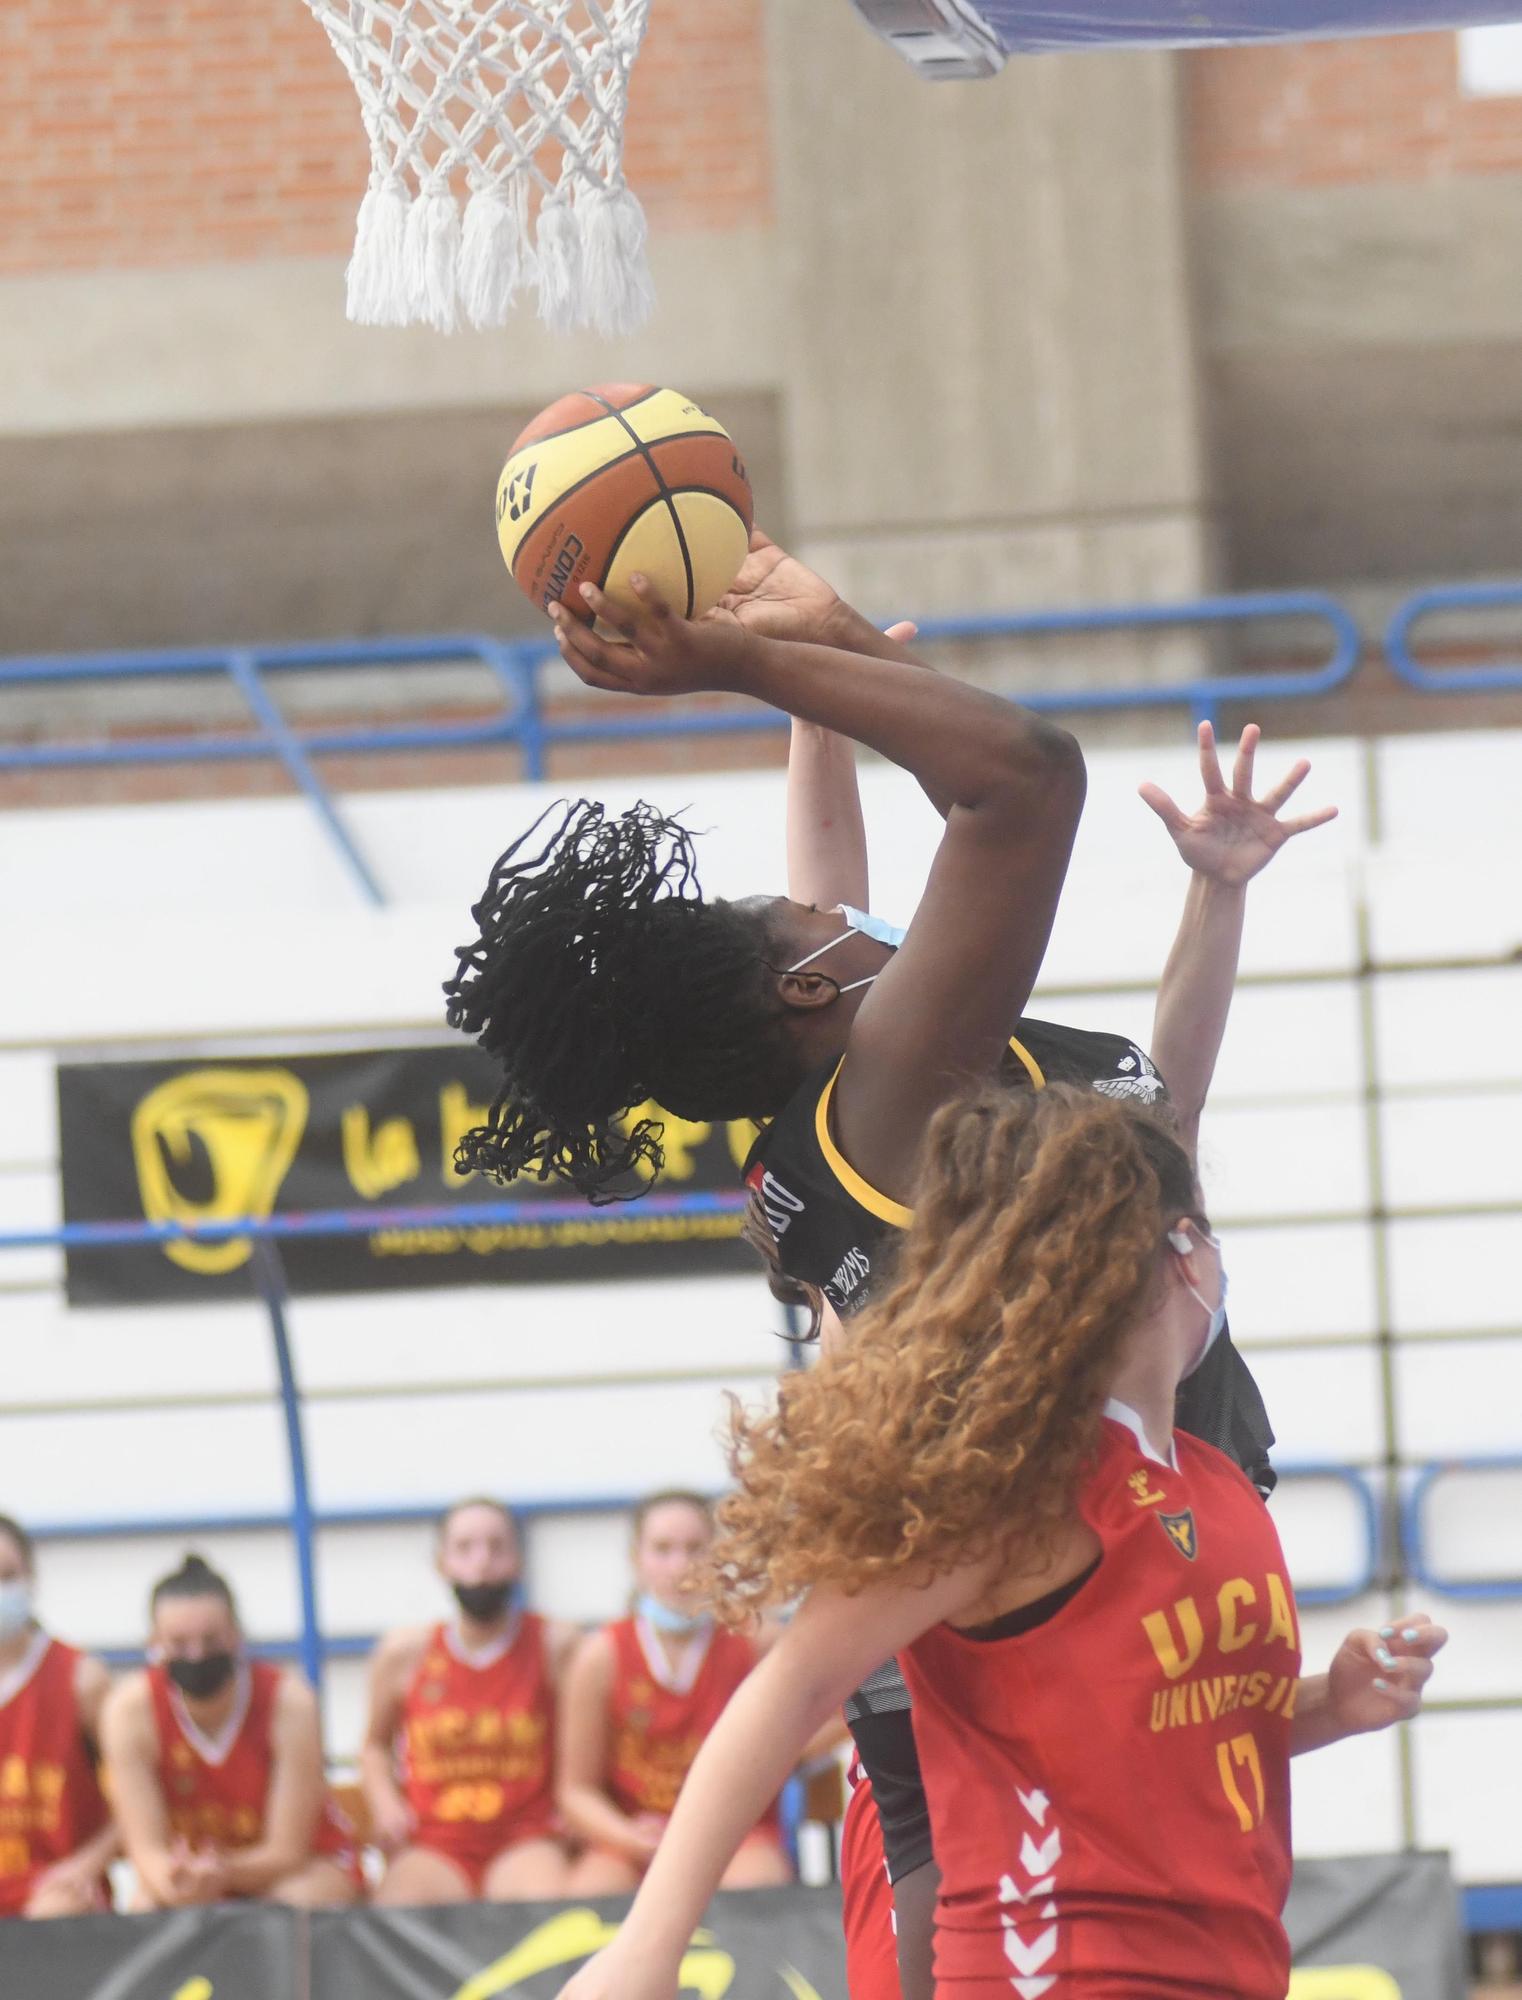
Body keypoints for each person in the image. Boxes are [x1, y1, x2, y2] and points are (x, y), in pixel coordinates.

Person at [444, 537, 1333, 1995]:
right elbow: (1016, 784)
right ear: (814, 988)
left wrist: (822, 698)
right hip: (1014, 1605)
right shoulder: (893, 1091)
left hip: (1147, 1550)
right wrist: (762, 658)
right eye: (813, 926)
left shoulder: (933, 1089)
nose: (845, 910)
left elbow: (1147, 1117)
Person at [555, 1085, 1448, 2000]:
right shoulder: (1011, 1495)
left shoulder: (1213, 1482)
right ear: (1170, 1252)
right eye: (1207, 1232)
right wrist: (646, 1952)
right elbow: (791, 1689)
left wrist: (1331, 1707)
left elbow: (1164, 1738)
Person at [557, 1490, 790, 1894]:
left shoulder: (755, 1640)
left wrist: (791, 1750)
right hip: (634, 1830)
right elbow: (576, 1791)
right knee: (591, 1893)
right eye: (662, 1549)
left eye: (695, 1548)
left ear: (718, 1556)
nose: (680, 1565)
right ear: (636, 1559)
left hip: (735, 1832)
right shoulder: (600, 1656)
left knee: (759, 1888)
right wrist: (629, 1837)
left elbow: (840, 1706)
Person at [100, 1553, 359, 1909]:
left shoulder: (289, 1703)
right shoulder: (130, 1710)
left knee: (293, 1901)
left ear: (236, 1636)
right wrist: (176, 1879)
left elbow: (287, 1851)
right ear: (154, 1642)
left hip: (301, 1867)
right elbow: (146, 1852)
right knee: (147, 1906)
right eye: (179, 1644)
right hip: (198, 1873)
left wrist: (222, 1873)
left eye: (210, 1641)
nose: (196, 1655)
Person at [360, 1496, 578, 1904]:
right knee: (396, 1910)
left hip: (525, 1837)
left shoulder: (555, 1645)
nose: (481, 1562)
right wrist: (385, 1803)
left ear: (518, 1560)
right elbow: (373, 1745)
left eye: (497, 1547)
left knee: (550, 1905)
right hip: (435, 1842)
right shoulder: (403, 1653)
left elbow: (585, 1743)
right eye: (464, 1548)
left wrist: (573, 1803)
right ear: (441, 1562)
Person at [0, 1512, 116, 1918]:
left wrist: (87, 1865)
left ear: (31, 1579)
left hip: (58, 1889)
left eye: (7, 1575)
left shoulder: (81, 1678)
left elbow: (139, 1802)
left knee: (55, 1916)